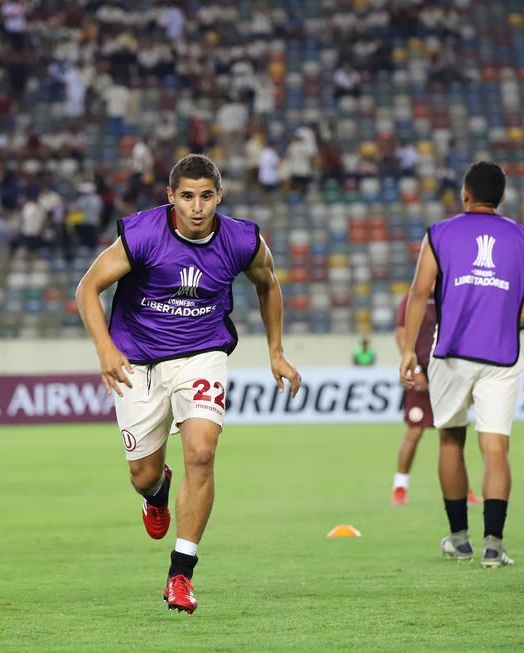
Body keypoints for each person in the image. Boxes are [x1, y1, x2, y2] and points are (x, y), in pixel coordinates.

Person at [76, 154, 301, 613]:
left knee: (201, 451)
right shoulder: (141, 234)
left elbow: (269, 282)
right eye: (187, 197)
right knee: (142, 476)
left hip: (203, 355)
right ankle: (156, 493)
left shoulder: (242, 239)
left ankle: (181, 574)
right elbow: (87, 287)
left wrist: (275, 351)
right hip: (136, 360)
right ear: (171, 197)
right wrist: (105, 350)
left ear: (219, 196)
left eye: (206, 197)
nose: (197, 207)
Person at [400, 161, 524, 568]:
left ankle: (459, 539)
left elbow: (418, 293)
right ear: (501, 198)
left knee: (451, 439)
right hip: (502, 355)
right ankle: (494, 546)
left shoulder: (441, 232)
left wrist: (406, 353)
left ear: (465, 194)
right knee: (495, 446)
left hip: (450, 353)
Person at [392, 291, 480, 507]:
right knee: (414, 431)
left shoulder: (452, 293)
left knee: (453, 432)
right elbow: (402, 333)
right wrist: (416, 369)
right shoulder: (414, 296)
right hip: (421, 371)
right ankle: (399, 488)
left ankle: (463, 489)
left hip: (448, 373)